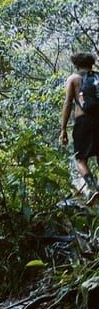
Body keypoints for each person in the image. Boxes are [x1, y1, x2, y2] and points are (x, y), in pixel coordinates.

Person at [60, 51, 99, 203]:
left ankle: (94, 189)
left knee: (80, 159)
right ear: (91, 64)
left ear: (76, 65)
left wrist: (63, 128)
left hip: (84, 122)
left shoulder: (74, 79)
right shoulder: (97, 77)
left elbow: (68, 103)